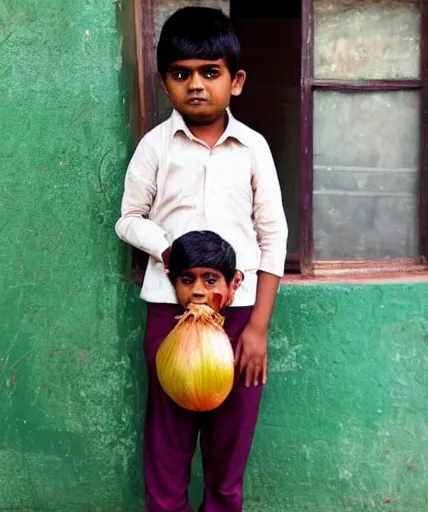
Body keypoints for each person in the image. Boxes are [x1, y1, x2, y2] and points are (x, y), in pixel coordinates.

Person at [114, 6, 288, 512]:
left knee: (229, 451)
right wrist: (167, 247)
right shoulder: (155, 147)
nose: (195, 85)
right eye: (181, 74)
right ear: (165, 82)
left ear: (235, 81)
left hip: (238, 317)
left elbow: (273, 237)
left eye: (210, 72)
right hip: (170, 314)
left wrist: (257, 328)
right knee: (167, 448)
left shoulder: (253, 149)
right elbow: (128, 218)